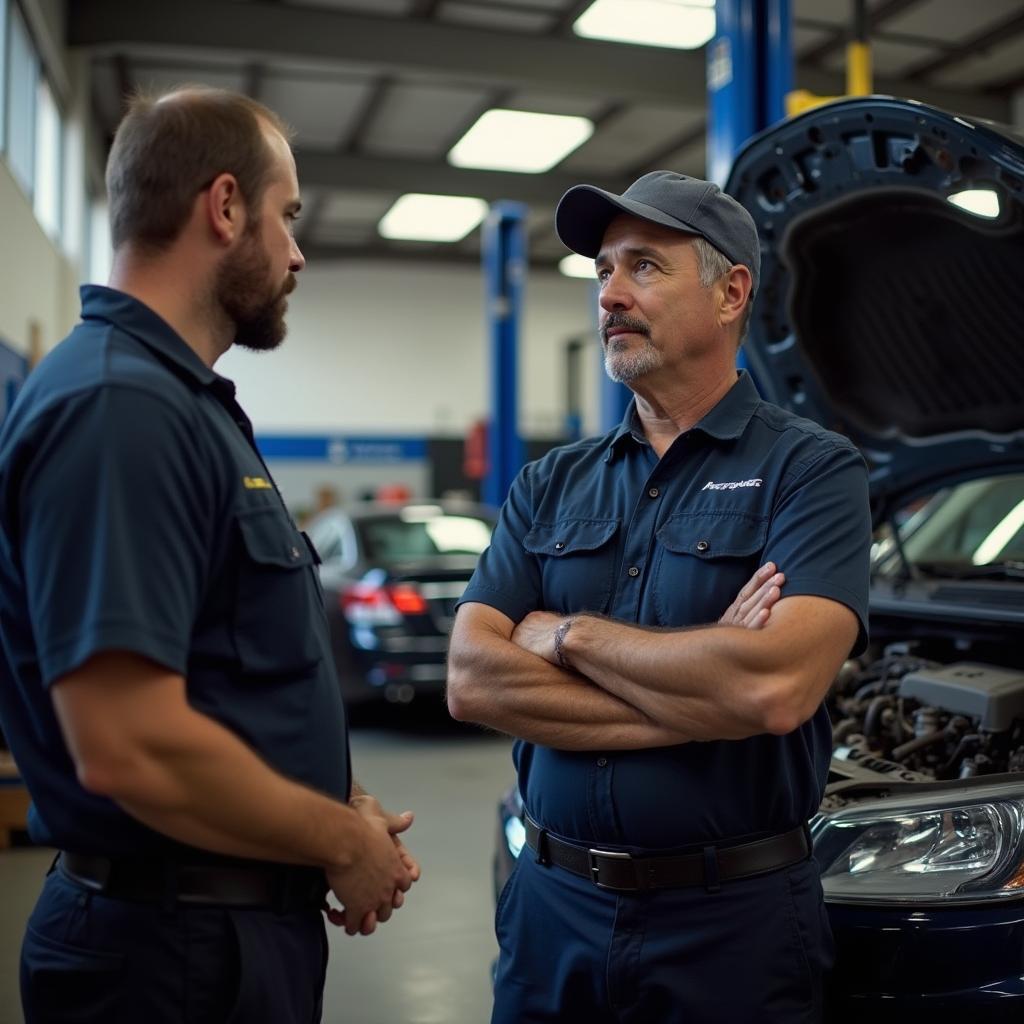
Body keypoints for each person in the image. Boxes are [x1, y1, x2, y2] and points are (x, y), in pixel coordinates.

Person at [0, 87, 418, 1024]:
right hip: (169, 959)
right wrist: (338, 842)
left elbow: (219, 673)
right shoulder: (122, 410)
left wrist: (334, 797)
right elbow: (128, 744)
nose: (298, 251)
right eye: (289, 216)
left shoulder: (179, 405)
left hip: (216, 937)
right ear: (225, 207)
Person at [447, 170, 872, 1023]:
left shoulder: (812, 470)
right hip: (550, 911)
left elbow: (774, 686)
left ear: (731, 294)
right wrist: (708, 685)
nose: (610, 295)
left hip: (733, 929)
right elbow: (471, 679)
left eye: (644, 267)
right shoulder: (550, 482)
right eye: (602, 271)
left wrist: (564, 635)